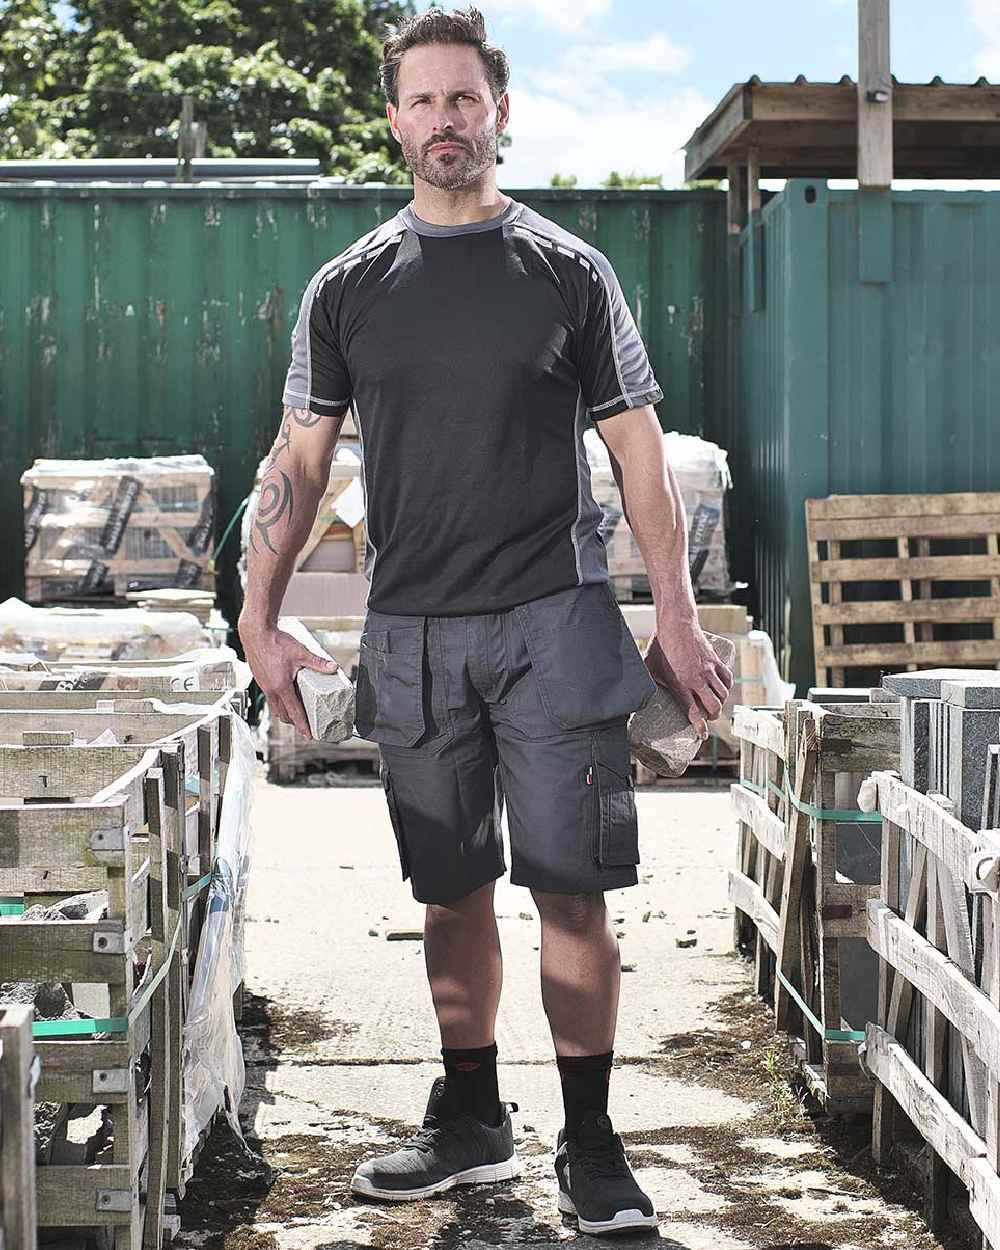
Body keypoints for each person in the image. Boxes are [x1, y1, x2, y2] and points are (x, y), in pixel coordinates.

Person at [239, 6, 733, 1237]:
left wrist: (672, 616)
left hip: (554, 623)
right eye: (424, 100)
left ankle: (592, 1143)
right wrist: (255, 615)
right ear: (395, 117)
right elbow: (296, 466)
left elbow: (639, 460)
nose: (446, 121)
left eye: (467, 98)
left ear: (499, 112)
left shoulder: (569, 271)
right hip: (409, 629)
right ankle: (470, 1122)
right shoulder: (347, 287)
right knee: (450, 887)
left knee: (572, 891)